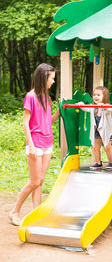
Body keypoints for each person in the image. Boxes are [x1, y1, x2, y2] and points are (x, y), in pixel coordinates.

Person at [9, 63, 60, 226]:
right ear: (43, 77)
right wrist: (30, 145)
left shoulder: (48, 98)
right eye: (51, 78)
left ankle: (36, 213)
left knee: (40, 180)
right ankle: (15, 211)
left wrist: (59, 112)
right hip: (35, 143)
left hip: (48, 144)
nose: (53, 81)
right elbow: (26, 123)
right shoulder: (30, 97)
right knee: (34, 181)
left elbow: (47, 121)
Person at [78, 86, 112, 169]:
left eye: (98, 95)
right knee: (95, 146)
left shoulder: (106, 106)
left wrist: (103, 106)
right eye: (94, 95)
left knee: (107, 147)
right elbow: (86, 108)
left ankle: (111, 162)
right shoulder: (93, 107)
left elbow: (109, 109)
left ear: (104, 97)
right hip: (97, 130)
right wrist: (81, 105)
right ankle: (98, 162)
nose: (96, 97)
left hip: (107, 131)